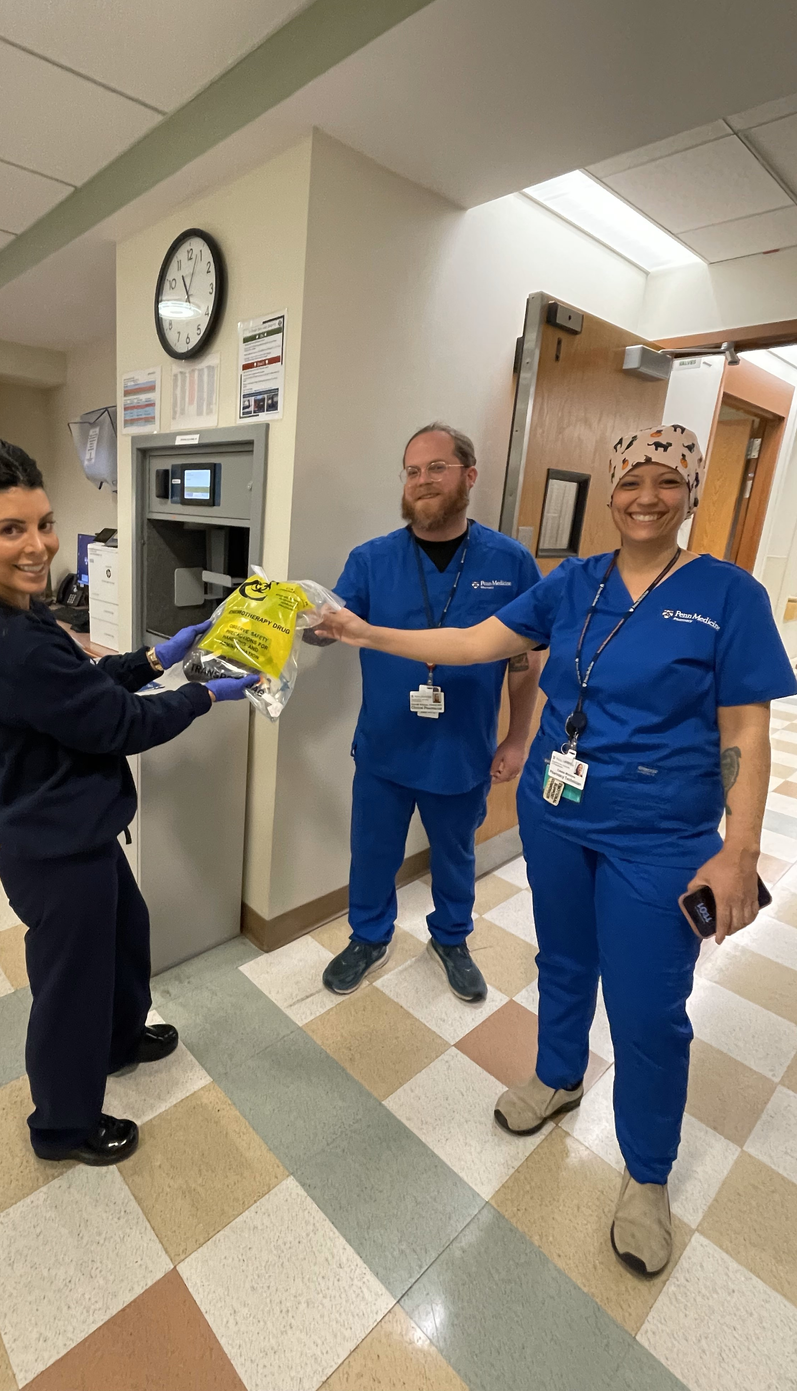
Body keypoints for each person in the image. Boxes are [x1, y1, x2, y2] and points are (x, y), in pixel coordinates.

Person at [318, 424, 796, 1277]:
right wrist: (368, 635)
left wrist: (740, 847)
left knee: (650, 1010)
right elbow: (473, 645)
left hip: (659, 832)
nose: (645, 496)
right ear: (610, 495)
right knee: (565, 962)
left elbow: (745, 733)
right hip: (556, 810)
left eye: (665, 481)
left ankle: (646, 1175)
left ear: (690, 493)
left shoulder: (729, 596)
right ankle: (558, 1076)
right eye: (630, 482)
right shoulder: (572, 583)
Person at [0, 436, 257, 1167]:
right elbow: (117, 725)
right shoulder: (6, 639)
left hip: (78, 827)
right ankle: (63, 1125)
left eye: (43, 523)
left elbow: (81, 688)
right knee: (69, 991)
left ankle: (117, 1042)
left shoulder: (15, 610)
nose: (38, 544)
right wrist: (205, 693)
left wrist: (156, 657)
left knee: (124, 939)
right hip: (54, 847)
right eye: (11, 529)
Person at [318, 422, 543, 1002]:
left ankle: (451, 938)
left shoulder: (511, 562)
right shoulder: (370, 560)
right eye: (413, 471)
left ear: (468, 476)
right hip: (385, 748)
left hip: (462, 753)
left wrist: (518, 737)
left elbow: (523, 662)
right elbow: (336, 628)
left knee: (456, 855)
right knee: (372, 853)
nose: (422, 481)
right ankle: (368, 936)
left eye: (436, 468)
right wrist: (307, 623)